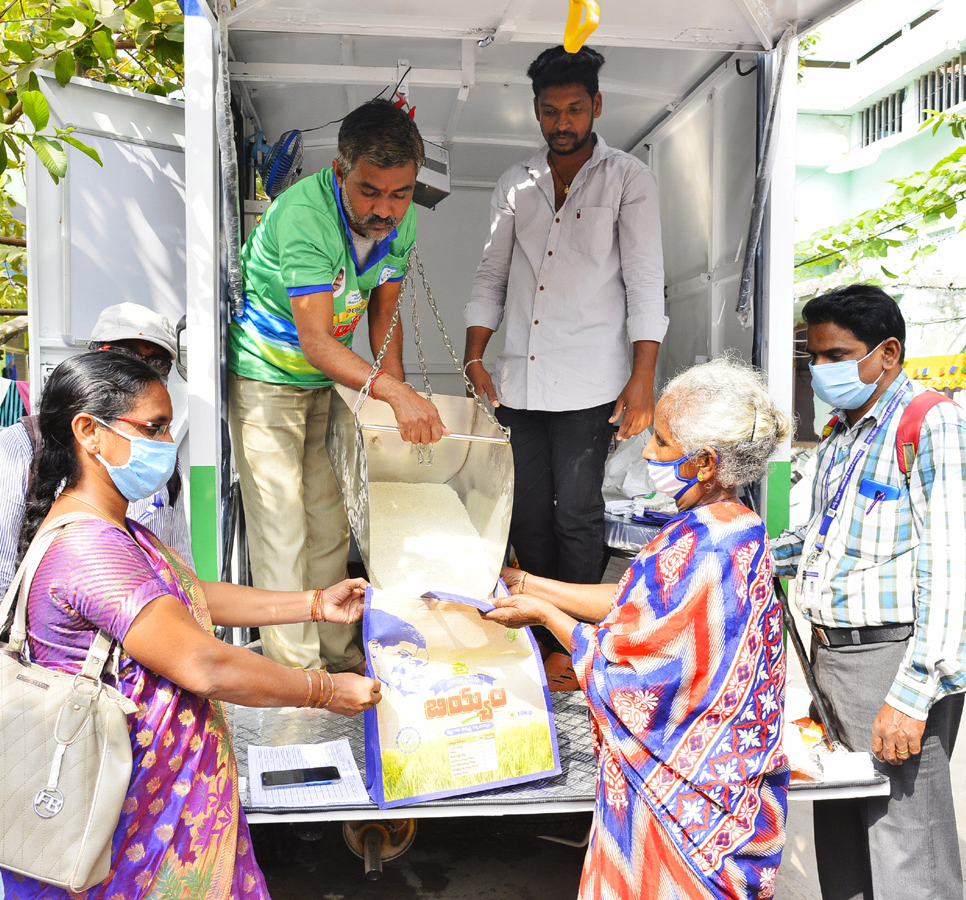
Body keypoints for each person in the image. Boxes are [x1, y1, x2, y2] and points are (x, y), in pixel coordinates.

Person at [1, 351, 382, 900]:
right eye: (152, 428)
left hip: (158, 807)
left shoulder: (113, 529)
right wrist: (325, 689)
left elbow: (186, 600)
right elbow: (204, 664)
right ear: (89, 431)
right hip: (136, 829)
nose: (163, 444)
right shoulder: (88, 548)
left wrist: (317, 603)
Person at [486, 356, 790, 900]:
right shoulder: (728, 523)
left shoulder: (709, 546)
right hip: (721, 783)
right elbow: (635, 603)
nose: (648, 453)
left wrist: (543, 616)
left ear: (705, 462)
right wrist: (526, 581)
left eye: (663, 443)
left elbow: (631, 675)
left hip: (689, 810)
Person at [0, 302, 191, 900]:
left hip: (121, 720)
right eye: (125, 357)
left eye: (154, 362)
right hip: (39, 709)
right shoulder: (16, 451)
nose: (139, 371)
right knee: (25, 848)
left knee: (109, 861)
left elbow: (172, 586)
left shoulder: (154, 460)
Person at [228, 98, 447, 673]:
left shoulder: (403, 218)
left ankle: (341, 658)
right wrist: (394, 395)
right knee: (281, 526)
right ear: (340, 171)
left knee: (329, 521)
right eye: (370, 191)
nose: (385, 209)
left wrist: (395, 398)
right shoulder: (306, 218)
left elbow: (386, 317)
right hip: (267, 376)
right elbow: (318, 342)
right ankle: (299, 680)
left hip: (329, 382)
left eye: (400, 193)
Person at [771, 284, 966, 900]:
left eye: (837, 355)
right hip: (833, 659)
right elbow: (817, 538)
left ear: (888, 353)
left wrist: (912, 699)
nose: (821, 370)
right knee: (842, 830)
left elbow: (954, 570)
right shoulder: (841, 434)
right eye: (815, 355)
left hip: (893, 660)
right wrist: (736, 552)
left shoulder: (930, 423)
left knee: (905, 843)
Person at [463, 44, 667, 597]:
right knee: (524, 513)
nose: (562, 122)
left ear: (596, 106)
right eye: (550, 111)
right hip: (519, 383)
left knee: (576, 513)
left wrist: (642, 379)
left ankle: (573, 639)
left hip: (590, 382)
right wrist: (474, 355)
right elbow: (491, 276)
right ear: (536, 112)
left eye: (574, 109)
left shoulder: (629, 178)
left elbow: (646, 285)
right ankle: (542, 625)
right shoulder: (515, 183)